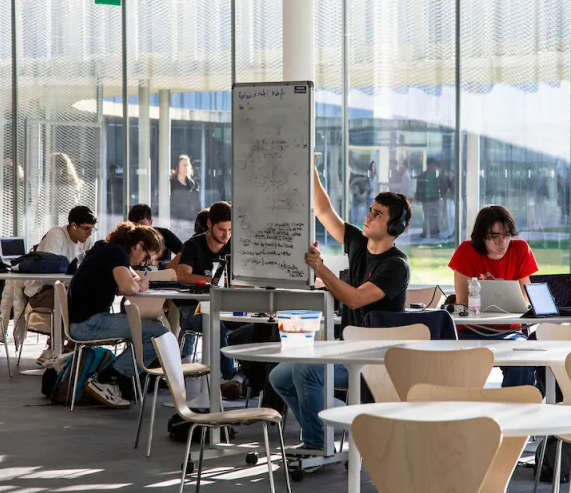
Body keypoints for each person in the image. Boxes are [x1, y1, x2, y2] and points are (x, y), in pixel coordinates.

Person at [269, 166, 411, 452]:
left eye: (377, 214)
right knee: (279, 377)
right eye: (370, 210)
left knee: (306, 372)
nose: (368, 216)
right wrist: (309, 166)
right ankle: (322, 434)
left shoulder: (396, 265)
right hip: (348, 350)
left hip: (375, 358)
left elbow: (355, 299)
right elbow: (323, 211)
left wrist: (321, 268)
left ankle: (316, 445)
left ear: (394, 227)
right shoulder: (358, 243)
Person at [67, 222, 168, 408]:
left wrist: (136, 282)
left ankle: (114, 380)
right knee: (159, 334)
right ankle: (106, 380)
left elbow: (133, 278)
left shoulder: (107, 249)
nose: (144, 263)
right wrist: (139, 286)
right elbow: (128, 287)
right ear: (138, 245)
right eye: (146, 257)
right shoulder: (117, 254)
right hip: (89, 323)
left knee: (150, 330)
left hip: (82, 320)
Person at [448, 205, 540, 388]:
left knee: (522, 359)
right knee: (456, 367)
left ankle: (514, 403)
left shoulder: (520, 249)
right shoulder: (466, 250)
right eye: (494, 235)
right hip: (469, 331)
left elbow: (526, 297)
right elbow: (463, 302)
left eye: (507, 235)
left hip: (509, 332)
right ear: (482, 236)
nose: (502, 241)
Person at [174, 201, 240, 395]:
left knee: (255, 328)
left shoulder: (234, 246)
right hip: (192, 311)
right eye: (222, 230)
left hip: (225, 309)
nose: (226, 235)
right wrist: (215, 281)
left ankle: (245, 378)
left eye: (230, 230)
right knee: (215, 323)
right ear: (209, 224)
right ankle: (229, 378)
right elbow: (182, 275)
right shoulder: (193, 245)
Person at [25, 205, 97, 366]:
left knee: (90, 300)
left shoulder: (86, 241)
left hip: (67, 290)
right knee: (71, 301)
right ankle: (54, 350)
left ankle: (68, 350)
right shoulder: (56, 235)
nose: (89, 233)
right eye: (86, 229)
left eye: (92, 229)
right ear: (73, 226)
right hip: (40, 291)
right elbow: (50, 270)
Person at [170, 155, 201, 237]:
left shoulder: (194, 185)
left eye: (188, 165)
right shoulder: (171, 184)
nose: (186, 167)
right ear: (178, 167)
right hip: (175, 222)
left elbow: (197, 205)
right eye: (184, 165)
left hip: (189, 223)